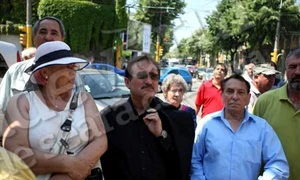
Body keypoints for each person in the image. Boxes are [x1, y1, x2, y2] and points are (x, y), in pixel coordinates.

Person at [2, 41, 107, 179]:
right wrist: (68, 164)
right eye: (66, 67)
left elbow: (100, 139)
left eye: (73, 67)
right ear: (45, 72)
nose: (73, 73)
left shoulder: (85, 99)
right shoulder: (21, 103)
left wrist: (80, 167)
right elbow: (16, 152)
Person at [100, 55, 195, 180]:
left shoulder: (177, 118)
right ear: (127, 82)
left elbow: (182, 164)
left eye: (154, 76)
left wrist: (162, 135)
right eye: (142, 76)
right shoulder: (110, 117)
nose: (149, 81)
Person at [190, 74, 289, 180]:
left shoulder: (262, 128)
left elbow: (278, 166)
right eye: (230, 91)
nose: (235, 97)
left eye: (241, 92)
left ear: (248, 98)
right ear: (222, 96)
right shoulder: (207, 124)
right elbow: (194, 161)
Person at [0, 16, 67, 114]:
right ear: (34, 37)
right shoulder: (15, 72)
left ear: (62, 39)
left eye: (54, 33)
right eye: (43, 32)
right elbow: (2, 111)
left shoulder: (73, 77)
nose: (48, 37)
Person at [252, 48, 300, 179]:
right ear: (286, 71)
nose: (298, 72)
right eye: (293, 66)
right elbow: (251, 144)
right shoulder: (265, 101)